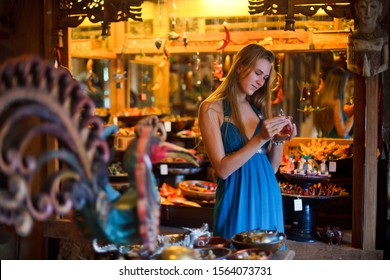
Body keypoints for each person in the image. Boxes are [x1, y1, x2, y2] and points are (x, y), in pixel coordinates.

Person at [198, 44, 297, 241]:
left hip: (268, 196)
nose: (261, 81)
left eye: (265, 77)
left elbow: (273, 167)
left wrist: (279, 139)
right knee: (235, 256)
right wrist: (261, 137)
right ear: (240, 67)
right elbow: (222, 169)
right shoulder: (211, 109)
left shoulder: (258, 109)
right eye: (258, 73)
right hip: (237, 198)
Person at [347, 0, 388, 77]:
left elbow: (386, 64)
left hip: (376, 78)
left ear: (380, 9)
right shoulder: (353, 36)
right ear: (356, 9)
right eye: (362, 6)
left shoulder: (382, 36)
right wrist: (360, 70)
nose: (368, 12)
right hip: (358, 79)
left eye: (373, 6)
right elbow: (349, 64)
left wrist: (374, 71)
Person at [313, 67, 354, 138]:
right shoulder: (336, 102)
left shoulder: (322, 99)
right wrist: (355, 116)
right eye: (345, 84)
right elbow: (342, 133)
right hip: (337, 144)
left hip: (327, 140)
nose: (346, 87)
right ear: (341, 85)